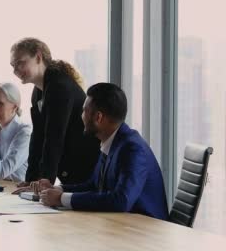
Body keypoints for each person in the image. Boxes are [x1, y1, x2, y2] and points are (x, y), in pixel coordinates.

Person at [30, 83, 168, 220]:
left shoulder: (132, 149)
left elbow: (122, 200)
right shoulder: (112, 141)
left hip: (146, 232)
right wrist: (60, 190)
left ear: (98, 117)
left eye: (84, 111)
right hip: (122, 225)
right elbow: (94, 185)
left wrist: (62, 199)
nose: (81, 116)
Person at [10, 38, 99, 186]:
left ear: (38, 57)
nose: (15, 71)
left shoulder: (59, 86)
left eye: (20, 63)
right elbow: (38, 136)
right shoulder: (38, 91)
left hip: (86, 167)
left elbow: (54, 137)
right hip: (70, 168)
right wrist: (31, 180)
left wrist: (45, 181)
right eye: (13, 66)